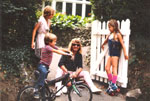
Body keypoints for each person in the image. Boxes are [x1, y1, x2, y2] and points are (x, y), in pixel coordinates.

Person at [34, 33, 71, 98]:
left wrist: (68, 50)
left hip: (46, 66)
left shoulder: (51, 46)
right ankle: (36, 89)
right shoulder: (47, 47)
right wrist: (66, 54)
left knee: (44, 82)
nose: (55, 42)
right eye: (54, 41)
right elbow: (57, 51)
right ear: (49, 42)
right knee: (43, 74)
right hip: (42, 65)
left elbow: (59, 49)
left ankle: (44, 96)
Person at [101, 19, 128, 93]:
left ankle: (113, 85)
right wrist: (102, 44)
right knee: (107, 68)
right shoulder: (109, 34)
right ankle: (112, 85)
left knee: (114, 69)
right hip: (110, 54)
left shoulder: (117, 35)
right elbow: (106, 40)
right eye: (108, 27)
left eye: (110, 27)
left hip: (115, 54)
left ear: (114, 27)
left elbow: (123, 45)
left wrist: (125, 53)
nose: (109, 28)